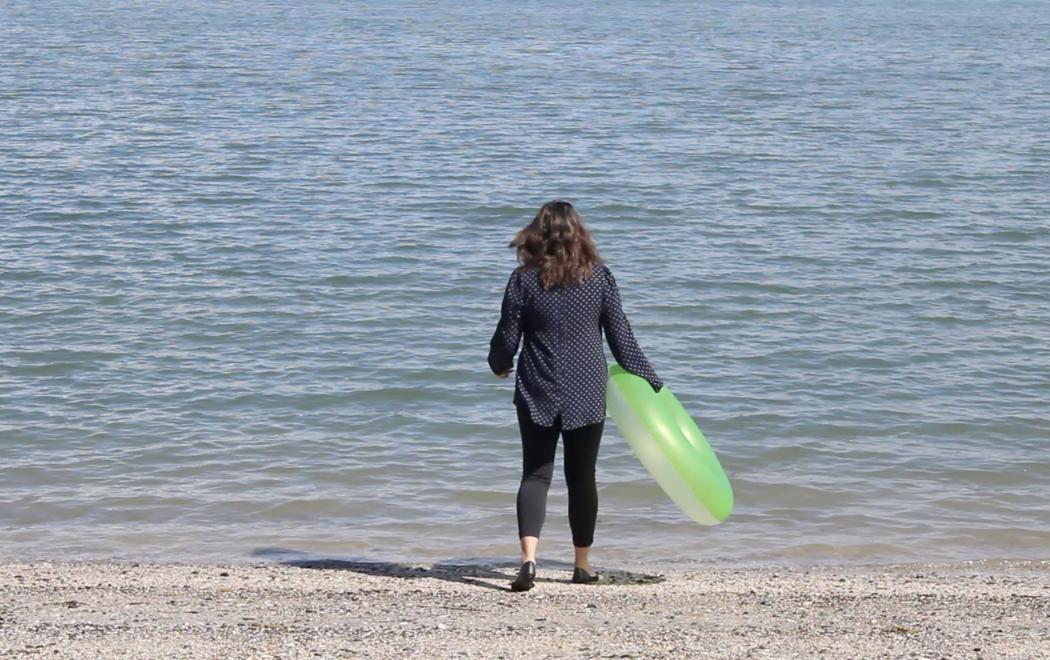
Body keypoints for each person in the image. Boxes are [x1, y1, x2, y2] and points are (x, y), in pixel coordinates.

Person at [488, 200, 662, 592]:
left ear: (536, 236)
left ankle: (528, 560)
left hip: (537, 385)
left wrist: (498, 364)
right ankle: (581, 565)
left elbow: (506, 338)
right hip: (586, 390)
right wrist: (653, 381)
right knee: (582, 478)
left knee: (535, 473)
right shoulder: (599, 278)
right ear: (580, 235)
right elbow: (623, 341)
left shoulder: (524, 280)